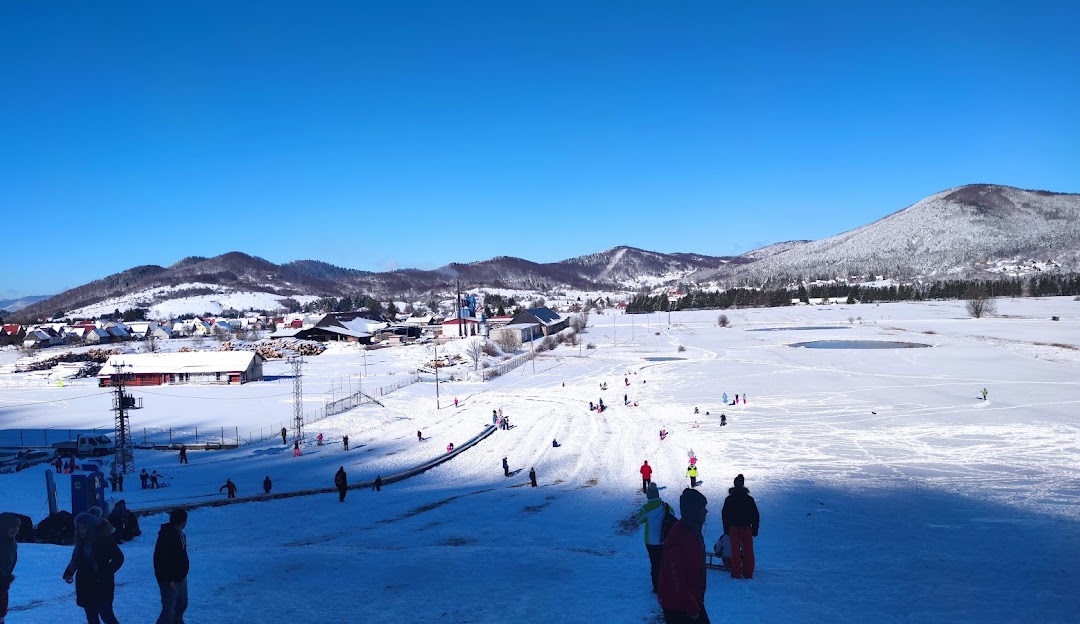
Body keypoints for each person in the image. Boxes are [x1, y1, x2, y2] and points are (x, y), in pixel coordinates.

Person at [658, 488, 709, 623]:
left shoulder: (693, 531)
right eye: (703, 508)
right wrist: (690, 606)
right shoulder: (680, 535)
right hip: (678, 606)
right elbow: (675, 576)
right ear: (694, 511)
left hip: (691, 601)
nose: (706, 512)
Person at [64, 511, 125, 624]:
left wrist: (106, 572)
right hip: (85, 584)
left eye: (84, 528)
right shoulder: (80, 543)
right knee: (91, 617)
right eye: (79, 527)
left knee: (106, 614)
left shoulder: (104, 540)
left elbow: (118, 558)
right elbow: (76, 560)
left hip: (102, 584)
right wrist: (69, 573)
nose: (81, 530)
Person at [153, 509, 189, 624]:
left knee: (181, 605)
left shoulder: (180, 534)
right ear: (181, 521)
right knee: (169, 610)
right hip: (170, 580)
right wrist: (169, 580)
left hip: (180, 577)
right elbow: (161, 561)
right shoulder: (167, 536)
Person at [636, 483, 673, 593]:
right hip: (664, 539)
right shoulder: (666, 506)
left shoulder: (645, 508)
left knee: (655, 564)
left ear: (649, 495)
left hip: (651, 541)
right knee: (664, 562)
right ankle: (666, 583)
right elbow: (672, 516)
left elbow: (638, 520)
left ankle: (657, 586)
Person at [722, 474, 760, 580]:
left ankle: (736, 573)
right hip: (747, 528)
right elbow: (755, 515)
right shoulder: (749, 499)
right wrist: (755, 528)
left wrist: (726, 529)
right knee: (748, 551)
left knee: (735, 551)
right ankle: (748, 573)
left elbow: (725, 515)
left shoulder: (729, 499)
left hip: (734, 528)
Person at [0, 513, 20, 624]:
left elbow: (10, 563)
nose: (16, 529)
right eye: (13, 525)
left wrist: (6, 577)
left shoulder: (12, 543)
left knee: (1, 614)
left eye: (18, 525)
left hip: (3, 584)